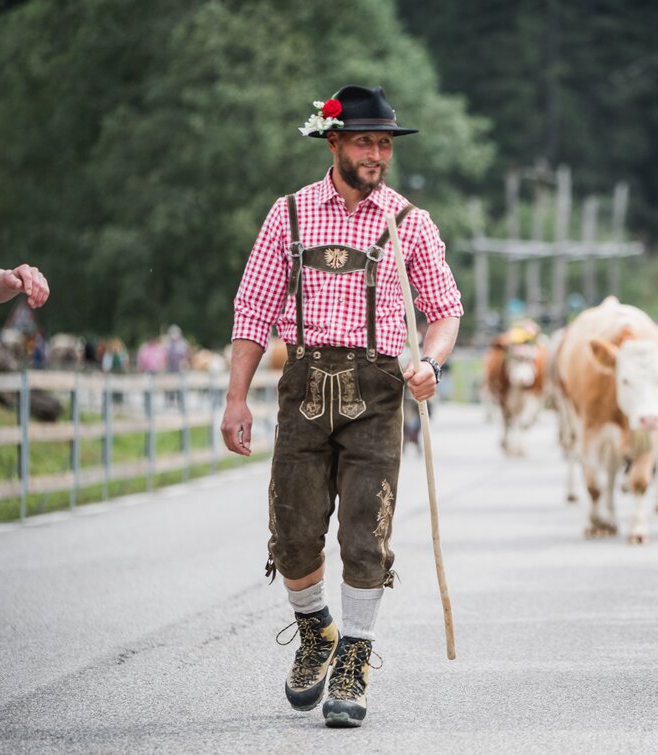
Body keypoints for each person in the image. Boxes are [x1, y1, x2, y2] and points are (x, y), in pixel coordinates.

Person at [220, 85, 463, 729]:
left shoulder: (409, 222)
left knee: (367, 534)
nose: (378, 154)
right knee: (293, 537)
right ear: (334, 143)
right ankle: (315, 632)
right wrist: (236, 397)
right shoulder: (289, 215)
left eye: (384, 143)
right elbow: (253, 311)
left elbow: (445, 311)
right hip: (303, 388)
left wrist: (430, 364)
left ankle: (354, 657)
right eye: (365, 141)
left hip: (378, 393)